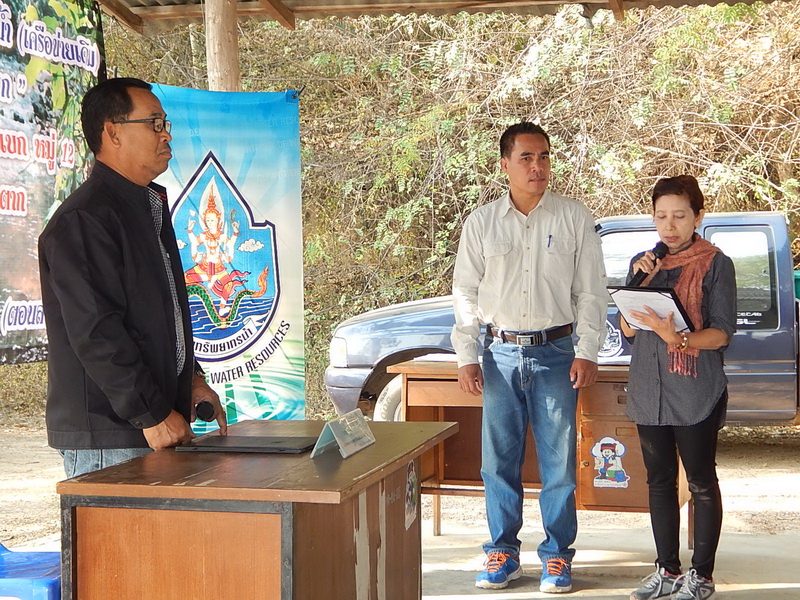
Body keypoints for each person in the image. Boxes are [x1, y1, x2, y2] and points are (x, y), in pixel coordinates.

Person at [39, 77, 227, 478]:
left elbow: (157, 319)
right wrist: (151, 412)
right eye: (154, 123)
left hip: (148, 422)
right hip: (114, 432)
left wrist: (191, 380)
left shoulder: (145, 207)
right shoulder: (85, 219)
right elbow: (97, 331)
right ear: (112, 133)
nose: (166, 135)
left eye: (165, 124)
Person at [451, 122, 607, 593]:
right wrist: (467, 354)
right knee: (498, 461)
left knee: (560, 462)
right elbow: (465, 291)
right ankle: (502, 552)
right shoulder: (481, 222)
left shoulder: (574, 217)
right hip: (499, 355)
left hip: (557, 353)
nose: (537, 167)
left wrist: (587, 350)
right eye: (526, 158)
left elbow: (591, 291)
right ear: (505, 165)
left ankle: (557, 556)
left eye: (543, 157)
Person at [619, 175, 735, 600]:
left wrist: (680, 339)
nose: (669, 226)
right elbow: (628, 329)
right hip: (649, 388)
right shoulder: (644, 262)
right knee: (659, 481)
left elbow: (721, 334)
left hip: (694, 390)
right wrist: (637, 280)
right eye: (661, 216)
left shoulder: (717, 263)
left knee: (701, 481)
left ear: (698, 217)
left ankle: (701, 576)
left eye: (680, 216)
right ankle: (667, 570)